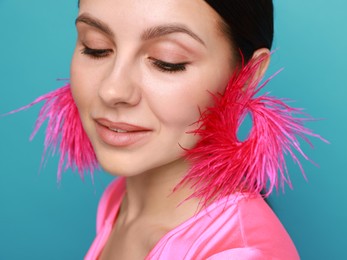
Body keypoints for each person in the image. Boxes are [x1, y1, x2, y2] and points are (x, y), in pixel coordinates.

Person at [7, 0, 324, 259]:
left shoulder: (242, 253)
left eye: (166, 61)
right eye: (96, 47)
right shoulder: (119, 200)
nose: (112, 90)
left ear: (247, 75)